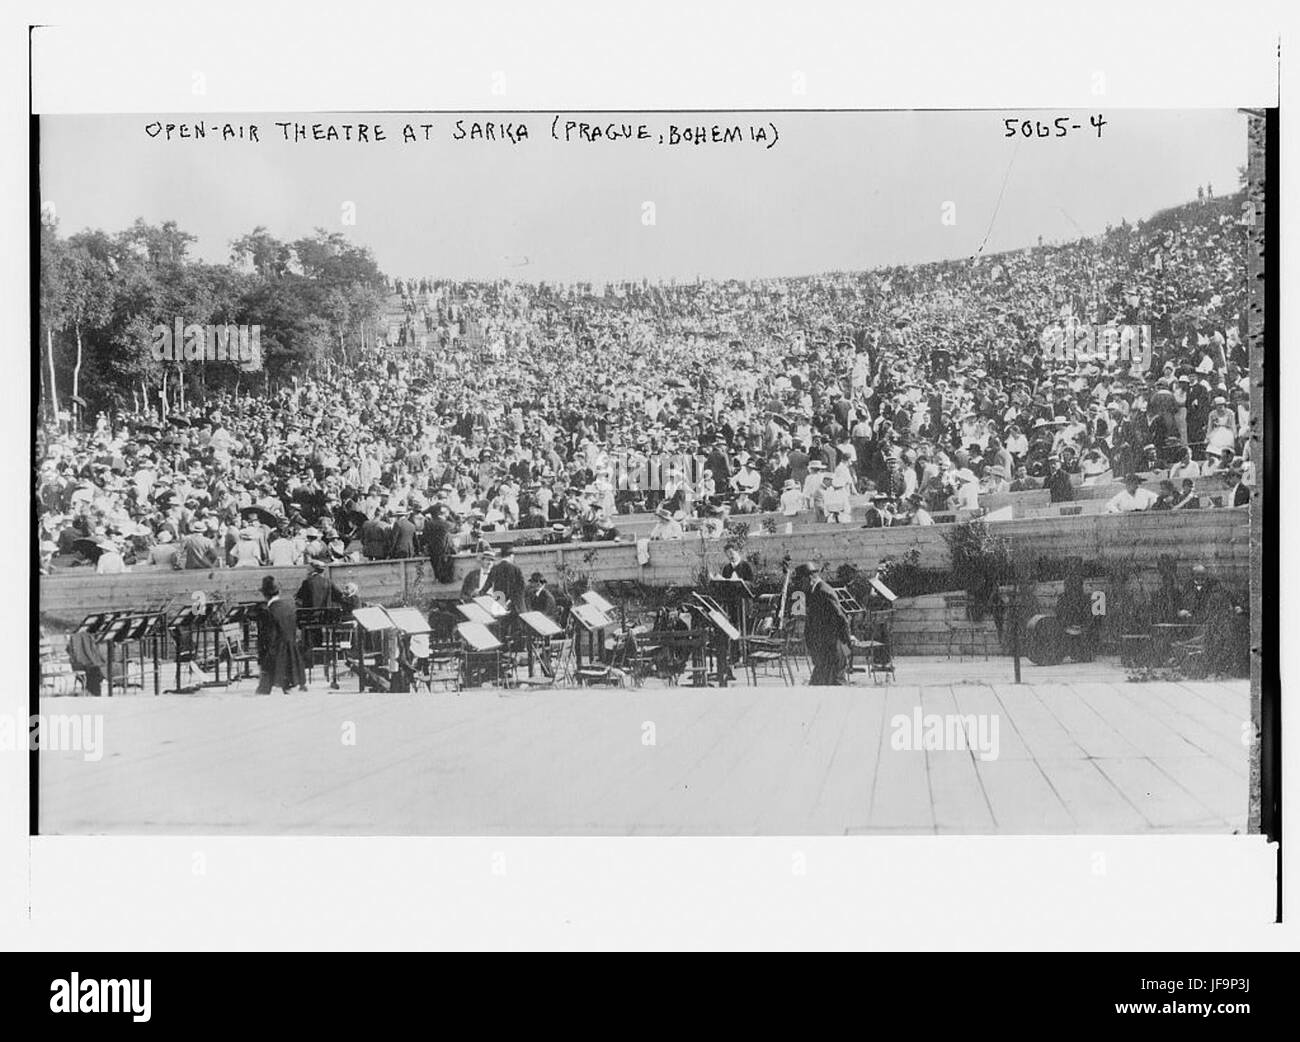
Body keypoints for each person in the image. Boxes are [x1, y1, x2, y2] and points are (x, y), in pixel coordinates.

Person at [798, 561, 851, 686]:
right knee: (821, 690)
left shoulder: (823, 591)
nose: (800, 586)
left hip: (832, 652)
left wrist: (847, 646)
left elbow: (841, 619)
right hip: (824, 653)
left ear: (809, 578)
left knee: (834, 688)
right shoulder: (814, 591)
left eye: (800, 581)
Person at [255, 575, 307, 694]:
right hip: (291, 651)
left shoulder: (268, 611)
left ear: (265, 595)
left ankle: (266, 687)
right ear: (279, 591)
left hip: (276, 653)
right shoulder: (289, 607)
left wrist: (263, 654)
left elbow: (269, 637)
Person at [486, 542, 526, 613]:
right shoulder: (516, 569)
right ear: (511, 556)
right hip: (516, 607)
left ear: (501, 556)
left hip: (500, 606)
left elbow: (486, 587)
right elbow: (522, 587)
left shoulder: (495, 568)